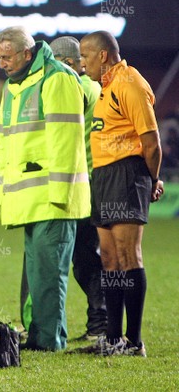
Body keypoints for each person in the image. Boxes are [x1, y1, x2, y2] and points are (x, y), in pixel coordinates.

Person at [0, 26, 90, 351]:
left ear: (27, 54)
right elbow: (7, 145)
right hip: (29, 199)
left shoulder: (57, 78)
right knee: (37, 276)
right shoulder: (14, 85)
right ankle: (40, 335)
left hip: (52, 198)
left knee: (49, 275)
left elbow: (66, 142)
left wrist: (60, 195)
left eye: (7, 57)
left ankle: (49, 340)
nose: (2, 64)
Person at [75, 31, 164, 357]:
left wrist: (152, 179)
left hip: (128, 174)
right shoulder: (106, 88)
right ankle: (112, 339)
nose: (82, 63)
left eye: (85, 56)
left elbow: (152, 141)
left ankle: (134, 341)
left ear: (103, 55)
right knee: (110, 260)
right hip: (104, 175)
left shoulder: (129, 83)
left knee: (128, 257)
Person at [49, 36, 107, 340]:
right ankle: (99, 321)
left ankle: (100, 323)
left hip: (85, 186)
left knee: (85, 258)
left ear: (66, 63)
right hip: (97, 183)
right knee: (90, 255)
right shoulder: (94, 88)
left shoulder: (75, 88)